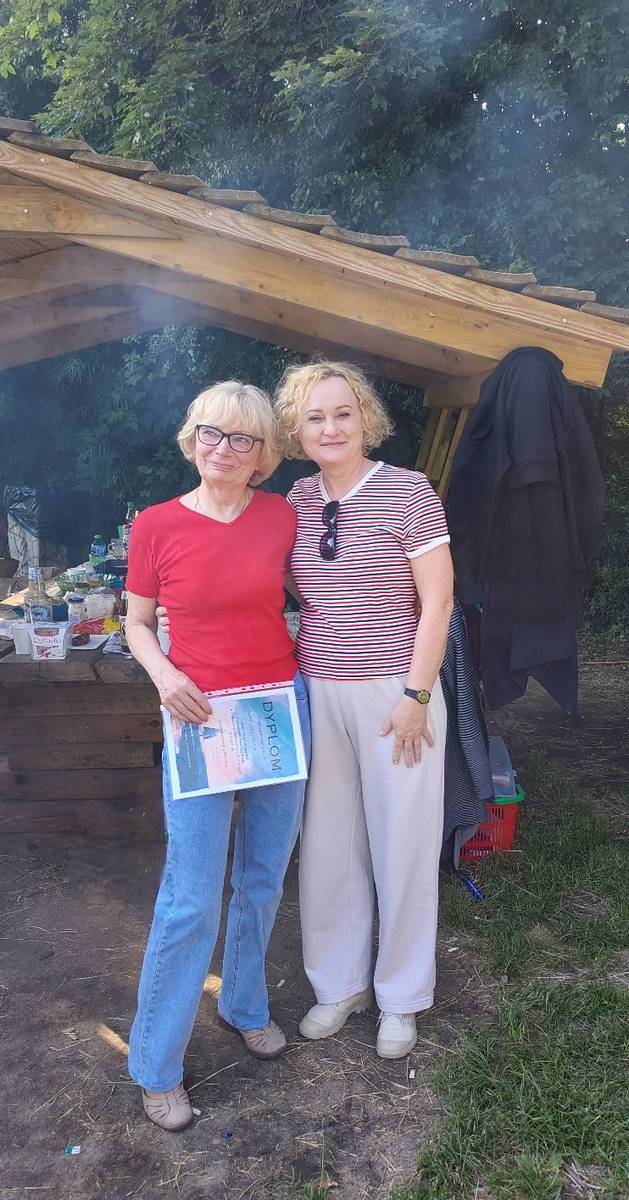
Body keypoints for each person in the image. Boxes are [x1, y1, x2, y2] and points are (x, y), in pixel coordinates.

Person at [125, 381, 310, 1131]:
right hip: (197, 719)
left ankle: (243, 1003)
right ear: (191, 437)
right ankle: (156, 1064)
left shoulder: (281, 517)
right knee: (190, 896)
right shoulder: (156, 524)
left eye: (241, 439)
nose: (223, 450)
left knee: (263, 877)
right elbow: (138, 623)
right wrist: (166, 677)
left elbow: (318, 595)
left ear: (263, 453)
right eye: (211, 432)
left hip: (275, 714)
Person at [275, 361, 453, 1059]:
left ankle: (401, 997)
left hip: (395, 695)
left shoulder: (407, 490)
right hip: (318, 690)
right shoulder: (295, 499)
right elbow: (296, 589)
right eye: (314, 417)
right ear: (296, 431)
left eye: (341, 413)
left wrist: (416, 696)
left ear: (365, 418)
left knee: (402, 844)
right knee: (327, 844)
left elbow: (438, 600)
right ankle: (339, 984)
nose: (330, 428)